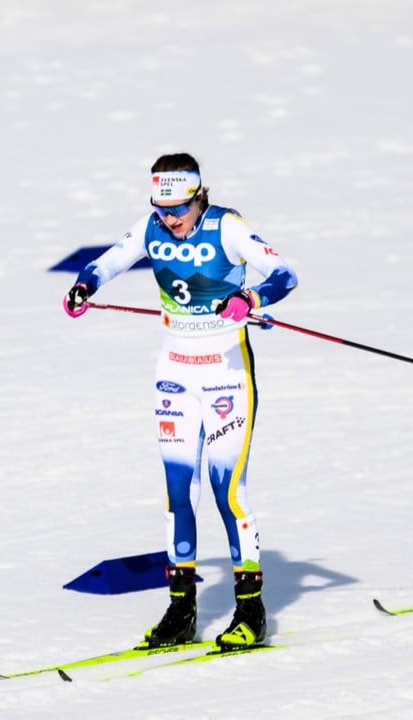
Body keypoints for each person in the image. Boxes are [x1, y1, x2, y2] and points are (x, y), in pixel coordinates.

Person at [62, 152, 298, 648]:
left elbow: (284, 275)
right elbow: (107, 261)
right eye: (162, 208)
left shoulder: (226, 226)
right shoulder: (150, 227)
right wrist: (85, 285)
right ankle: (181, 611)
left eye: (180, 209)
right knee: (177, 493)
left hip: (227, 372)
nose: (170, 219)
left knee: (225, 491)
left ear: (199, 197)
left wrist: (250, 300)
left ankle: (251, 613)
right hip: (174, 373)